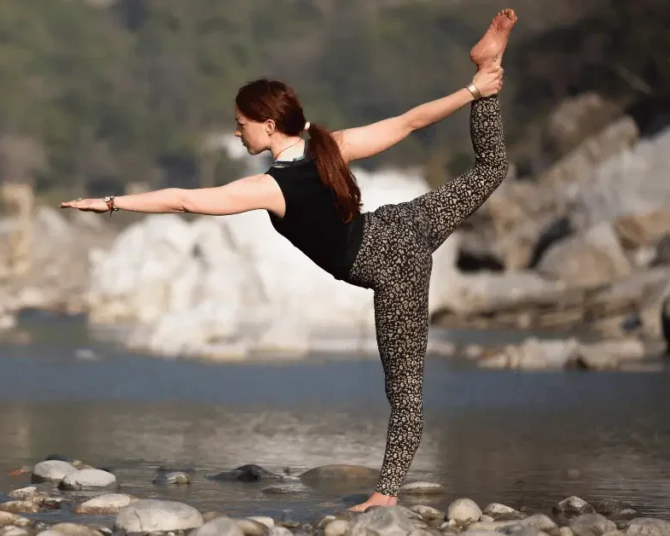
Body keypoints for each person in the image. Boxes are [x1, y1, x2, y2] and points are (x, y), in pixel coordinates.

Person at [62, 9, 518, 512]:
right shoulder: (330, 146)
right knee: (492, 167)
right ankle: (488, 68)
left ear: (269, 124)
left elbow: (188, 200)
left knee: (404, 391)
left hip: (395, 268)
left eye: (241, 125)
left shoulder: (271, 187)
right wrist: (474, 91)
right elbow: (410, 121)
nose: (238, 134)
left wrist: (111, 203)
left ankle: (385, 496)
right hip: (405, 224)